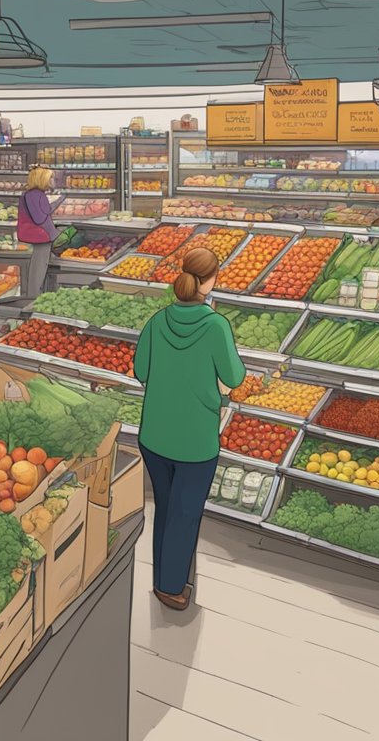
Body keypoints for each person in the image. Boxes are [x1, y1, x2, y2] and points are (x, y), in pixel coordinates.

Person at [134, 248, 245, 611]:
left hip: (154, 435)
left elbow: (141, 371)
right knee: (184, 513)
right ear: (210, 282)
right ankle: (169, 587)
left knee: (165, 508)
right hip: (195, 439)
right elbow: (234, 376)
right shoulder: (215, 326)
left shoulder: (157, 320)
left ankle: (164, 575)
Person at [16, 166, 66, 296]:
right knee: (38, 270)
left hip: (42, 236)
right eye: (51, 178)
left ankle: (39, 295)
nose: (53, 181)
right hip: (39, 237)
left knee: (41, 267)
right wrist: (59, 201)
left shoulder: (34, 194)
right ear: (42, 179)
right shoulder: (35, 195)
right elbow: (40, 218)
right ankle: (33, 299)